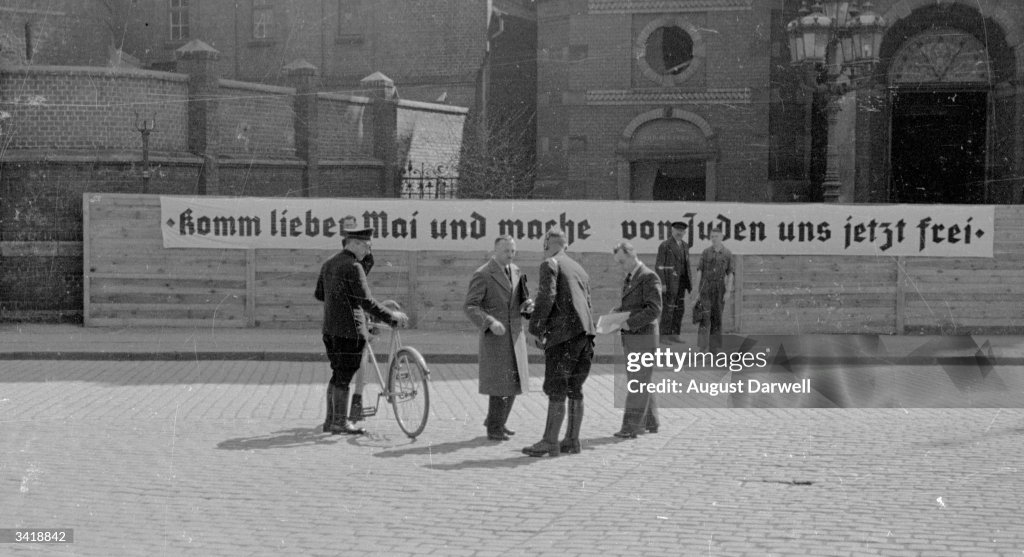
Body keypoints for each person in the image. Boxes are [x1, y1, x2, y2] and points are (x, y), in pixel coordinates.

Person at [314, 227, 409, 435]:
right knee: (345, 376)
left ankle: (331, 421)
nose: (368, 251)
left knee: (337, 374)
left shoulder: (329, 263)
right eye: (366, 246)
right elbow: (366, 301)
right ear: (354, 243)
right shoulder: (354, 266)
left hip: (330, 329)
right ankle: (340, 423)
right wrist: (392, 316)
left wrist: (340, 299)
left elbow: (320, 294)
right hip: (350, 331)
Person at [523, 228, 596, 457]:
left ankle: (549, 441)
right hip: (586, 336)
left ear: (547, 243)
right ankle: (572, 440)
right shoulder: (579, 268)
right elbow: (587, 303)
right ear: (566, 245)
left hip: (563, 338)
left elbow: (547, 296)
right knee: (575, 388)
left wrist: (535, 329)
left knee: (556, 389)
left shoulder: (550, 263)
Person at [464, 236, 534, 441]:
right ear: (495, 251)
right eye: (506, 251)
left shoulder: (516, 270)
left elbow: (520, 299)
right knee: (499, 384)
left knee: (514, 382)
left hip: (515, 335)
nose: (510, 255)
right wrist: (490, 322)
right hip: (496, 337)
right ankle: (494, 428)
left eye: (513, 251)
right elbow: (470, 306)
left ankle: (499, 422)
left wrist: (527, 306)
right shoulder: (483, 274)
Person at [611, 241, 663, 438]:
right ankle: (651, 421)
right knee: (641, 380)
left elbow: (654, 309)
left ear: (632, 256)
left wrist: (629, 324)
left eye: (622, 261)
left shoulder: (649, 277)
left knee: (637, 383)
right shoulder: (630, 278)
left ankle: (631, 427)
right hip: (634, 339)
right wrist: (617, 313)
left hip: (644, 339)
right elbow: (633, 306)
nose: (620, 266)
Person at [694, 226, 735, 352]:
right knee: (704, 318)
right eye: (712, 236)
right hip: (706, 288)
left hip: (720, 289)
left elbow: (730, 273)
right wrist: (697, 290)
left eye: (716, 236)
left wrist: (728, 291)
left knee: (717, 318)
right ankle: (702, 348)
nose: (714, 239)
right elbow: (700, 271)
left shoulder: (727, 253)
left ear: (721, 237)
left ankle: (714, 348)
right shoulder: (706, 252)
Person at [655, 221, 692, 343]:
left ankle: (675, 335)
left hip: (681, 283)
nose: (679, 233)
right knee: (668, 309)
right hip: (669, 283)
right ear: (672, 231)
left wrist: (689, 283)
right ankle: (663, 336)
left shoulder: (685, 246)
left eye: (681, 231)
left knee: (679, 309)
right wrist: (663, 283)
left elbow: (686, 265)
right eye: (677, 230)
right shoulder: (665, 245)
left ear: (684, 232)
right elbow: (659, 266)